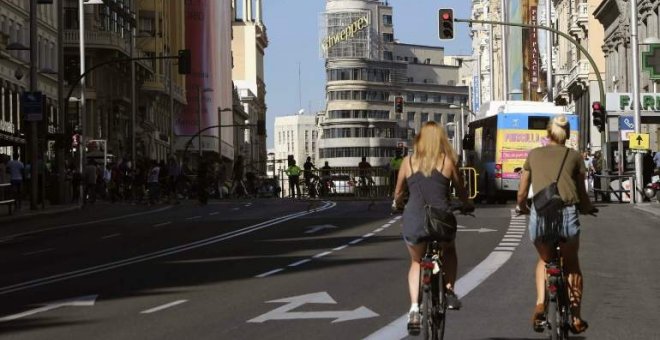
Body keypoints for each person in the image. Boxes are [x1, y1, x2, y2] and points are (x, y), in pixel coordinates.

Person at [516, 115, 595, 335]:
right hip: (567, 213)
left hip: (541, 215)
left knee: (544, 260)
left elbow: (523, 190)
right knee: (571, 264)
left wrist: (521, 206)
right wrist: (588, 208)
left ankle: (541, 303)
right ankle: (577, 318)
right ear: (566, 134)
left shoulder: (533, 155)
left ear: (548, 133)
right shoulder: (575, 156)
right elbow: (582, 191)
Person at [393, 121, 473, 333]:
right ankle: (448, 290)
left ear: (418, 140)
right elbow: (461, 189)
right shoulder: (447, 162)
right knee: (449, 250)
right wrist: (466, 204)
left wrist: (397, 204)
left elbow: (398, 193)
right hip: (441, 220)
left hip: (414, 220)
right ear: (440, 141)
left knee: (416, 262)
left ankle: (413, 309)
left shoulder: (407, 162)